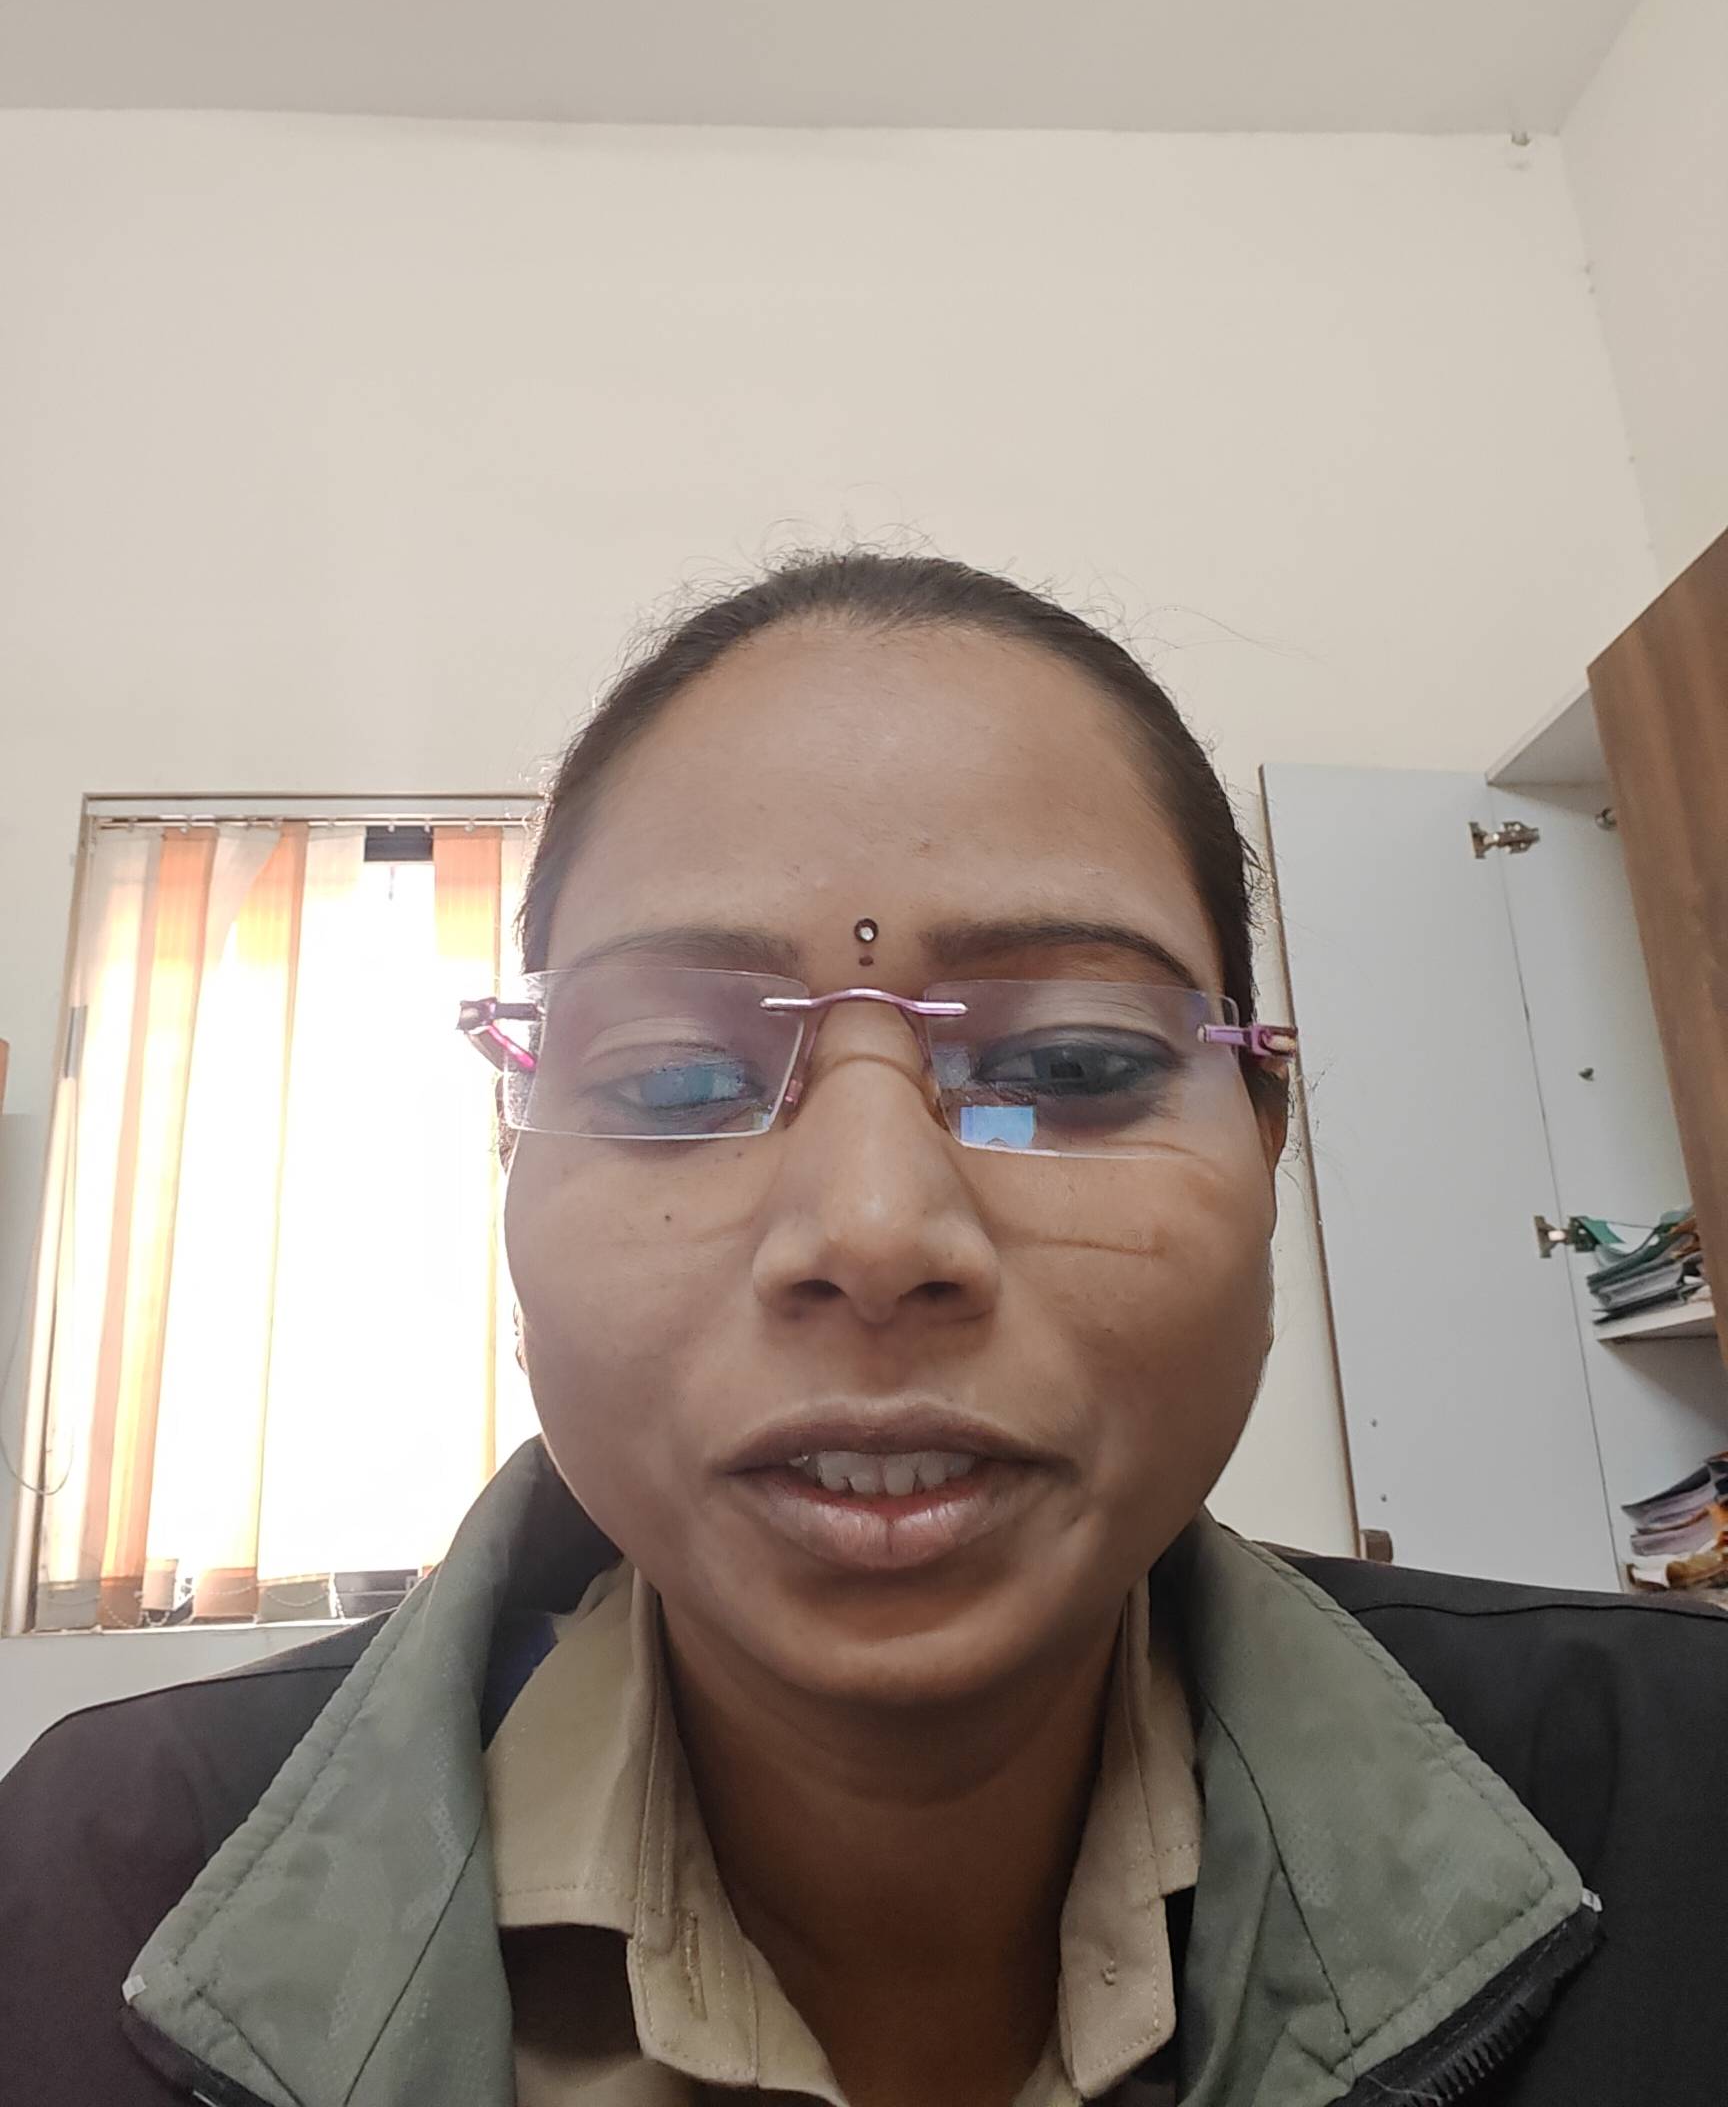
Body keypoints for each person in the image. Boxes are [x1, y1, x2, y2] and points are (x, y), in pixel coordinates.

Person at [2, 552, 1724, 2107]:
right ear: (515, 1165)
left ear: (1267, 1145)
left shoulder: (1683, 1805)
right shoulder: (95, 1897)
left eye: (1067, 1067)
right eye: (678, 1082)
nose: (877, 1233)